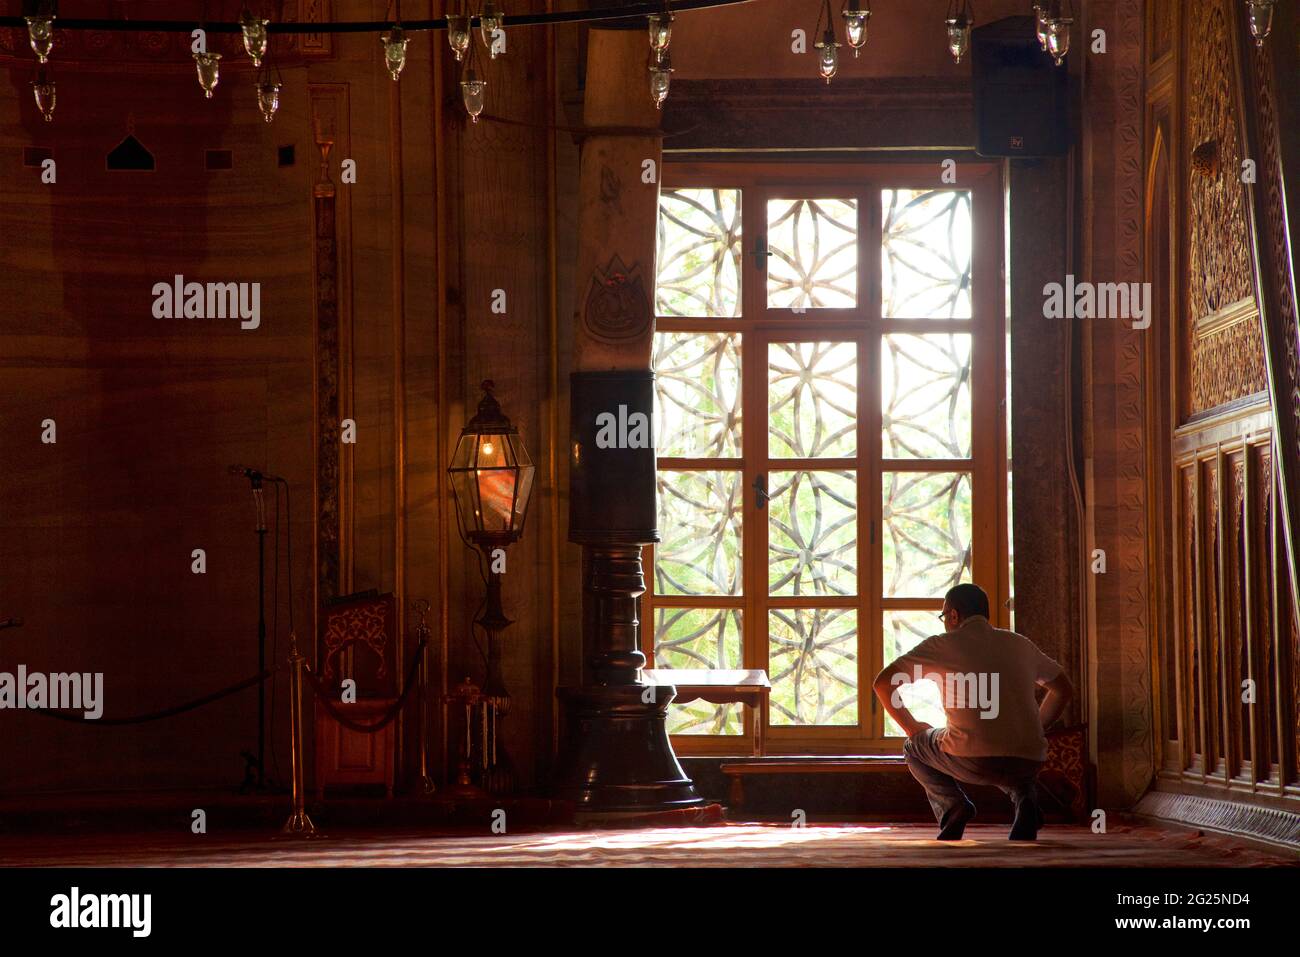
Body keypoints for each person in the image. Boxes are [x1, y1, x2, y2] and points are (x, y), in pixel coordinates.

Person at [872, 583, 1073, 841]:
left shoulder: (941, 645)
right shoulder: (1019, 644)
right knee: (1011, 756)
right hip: (1028, 760)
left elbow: (883, 683)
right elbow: (1063, 690)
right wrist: (1036, 728)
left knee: (913, 747)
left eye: (944, 616)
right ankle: (1026, 801)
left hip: (972, 760)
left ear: (954, 615)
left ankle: (953, 806)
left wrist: (911, 726)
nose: (945, 622)